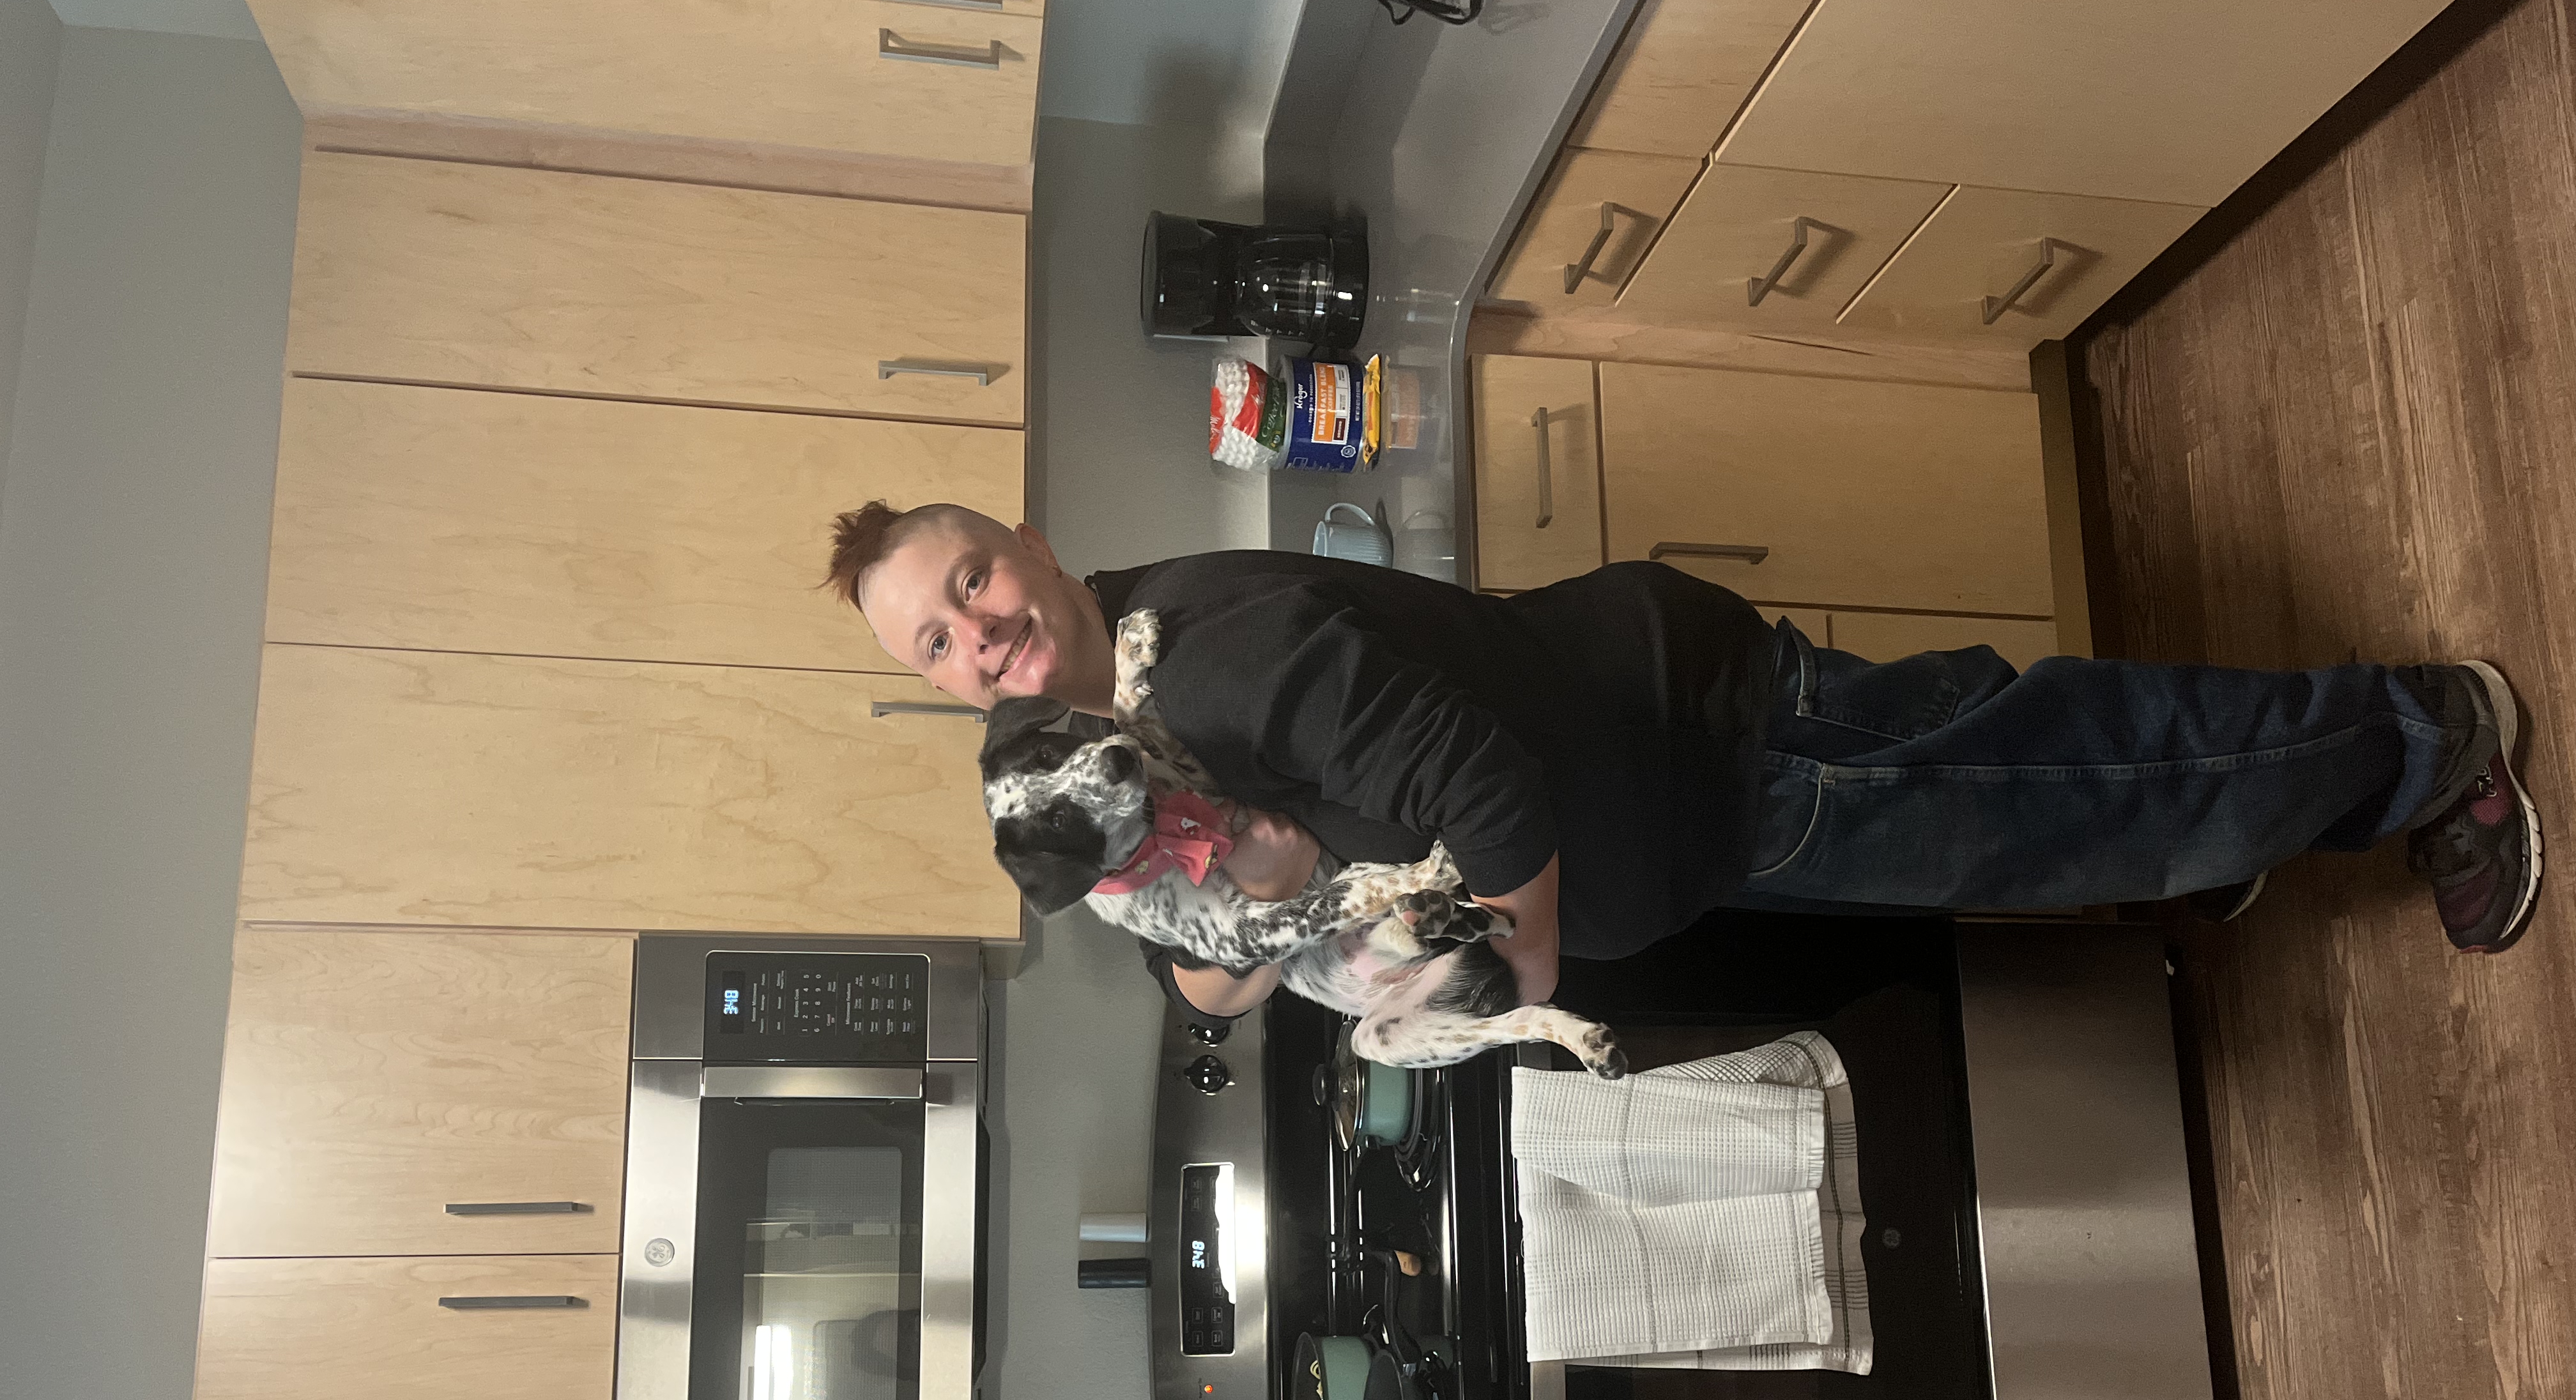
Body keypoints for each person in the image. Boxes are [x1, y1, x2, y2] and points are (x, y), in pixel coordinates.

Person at [828, 499, 2542, 1022]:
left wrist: (1520, 993)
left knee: (2058, 778)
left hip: (1708, 743)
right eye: (934, 638)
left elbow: (1490, 801)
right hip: (1685, 807)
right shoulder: (1100, 743)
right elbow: (1197, 990)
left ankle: (2425, 739)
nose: (973, 632)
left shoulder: (1209, 653)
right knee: (2052, 811)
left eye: (970, 580)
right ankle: (2233, 823)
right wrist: (1245, 905)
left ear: (1030, 545)